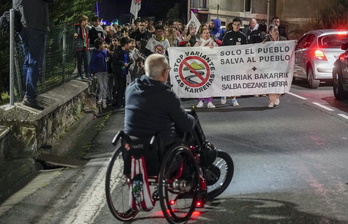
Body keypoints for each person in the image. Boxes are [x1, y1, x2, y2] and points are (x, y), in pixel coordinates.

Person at [124, 54, 195, 149]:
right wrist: (193, 119)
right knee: (189, 124)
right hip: (160, 146)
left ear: (145, 70)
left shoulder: (131, 88)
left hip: (132, 143)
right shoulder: (167, 95)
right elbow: (186, 125)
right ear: (165, 72)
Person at [15, 0, 53, 110]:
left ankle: (26, 94)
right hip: (36, 24)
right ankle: (30, 97)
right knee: (35, 62)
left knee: (28, 61)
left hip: (23, 25)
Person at [221, 17, 247, 106]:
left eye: (238, 25)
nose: (236, 26)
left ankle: (234, 98)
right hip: (228, 61)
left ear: (240, 26)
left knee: (236, 80)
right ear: (232, 25)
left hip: (238, 62)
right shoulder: (227, 35)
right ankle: (224, 94)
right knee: (227, 79)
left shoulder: (243, 36)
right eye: (235, 24)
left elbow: (246, 49)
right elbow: (223, 47)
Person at [263, 24, 287, 108]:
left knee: (280, 84)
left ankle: (277, 97)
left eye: (277, 30)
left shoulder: (284, 40)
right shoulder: (266, 42)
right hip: (270, 67)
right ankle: (271, 101)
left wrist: (294, 44)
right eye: (274, 30)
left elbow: (289, 49)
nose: (277, 32)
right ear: (270, 32)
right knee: (271, 84)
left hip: (281, 67)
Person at [194, 28, 217, 109]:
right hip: (200, 66)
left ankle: (210, 101)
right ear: (201, 35)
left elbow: (217, 53)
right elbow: (192, 52)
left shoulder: (213, 43)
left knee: (210, 83)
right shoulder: (198, 43)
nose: (206, 34)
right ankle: (200, 100)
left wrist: (213, 49)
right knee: (200, 83)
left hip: (210, 66)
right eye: (204, 33)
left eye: (207, 33)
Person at [112, 37, 131, 108]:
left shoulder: (126, 52)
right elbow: (115, 61)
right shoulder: (118, 51)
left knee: (123, 87)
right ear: (125, 44)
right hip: (118, 72)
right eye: (128, 44)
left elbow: (128, 60)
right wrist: (122, 63)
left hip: (124, 72)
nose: (129, 45)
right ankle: (118, 103)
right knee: (119, 87)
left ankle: (122, 102)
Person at [89, 38, 108, 109]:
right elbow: (91, 63)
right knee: (101, 85)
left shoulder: (104, 52)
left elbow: (107, 59)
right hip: (98, 71)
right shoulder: (95, 54)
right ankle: (100, 98)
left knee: (105, 86)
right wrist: (91, 71)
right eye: (102, 44)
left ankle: (104, 100)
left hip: (105, 71)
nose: (104, 45)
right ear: (99, 45)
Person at [74, 15, 90, 80]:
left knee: (86, 61)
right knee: (80, 61)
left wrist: (87, 46)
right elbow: (75, 34)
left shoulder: (85, 28)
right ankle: (79, 75)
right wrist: (75, 35)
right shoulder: (77, 27)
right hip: (79, 47)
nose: (87, 22)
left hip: (84, 47)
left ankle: (87, 74)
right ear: (83, 21)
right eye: (86, 21)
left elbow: (86, 38)